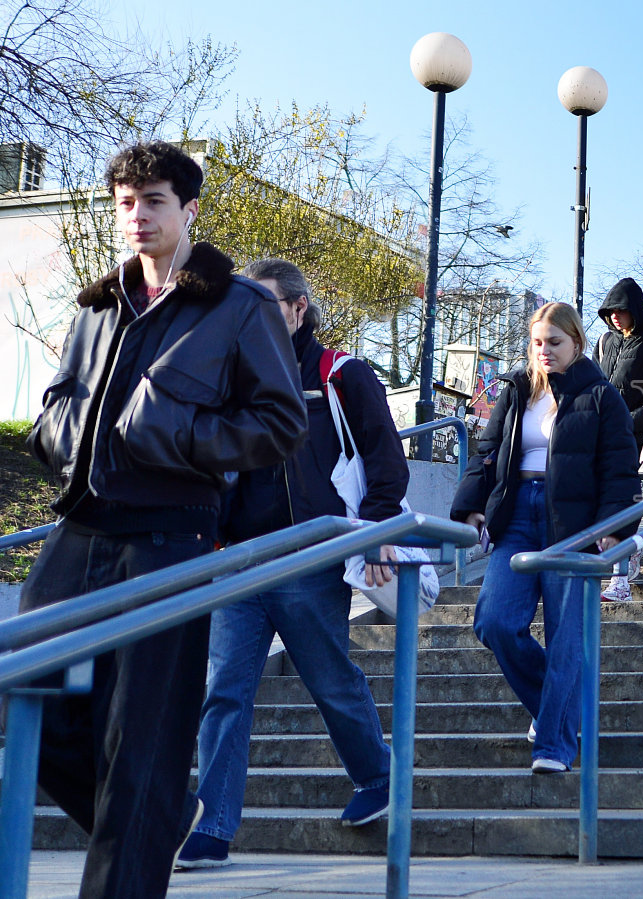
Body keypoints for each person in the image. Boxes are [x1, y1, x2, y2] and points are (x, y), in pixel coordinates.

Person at [21, 140, 306, 897]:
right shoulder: (97, 306)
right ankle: (165, 813)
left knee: (140, 738)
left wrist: (177, 435)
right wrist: (57, 434)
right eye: (126, 202)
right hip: (80, 528)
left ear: (189, 210)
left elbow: (281, 423)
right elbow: (58, 402)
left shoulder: (238, 306)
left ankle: (139, 837)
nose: (138, 216)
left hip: (169, 534)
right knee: (23, 691)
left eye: (154, 201)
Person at [179, 260, 402, 869]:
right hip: (241, 558)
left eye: (265, 305)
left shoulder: (341, 374)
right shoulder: (234, 379)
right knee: (223, 690)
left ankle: (378, 776)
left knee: (328, 678)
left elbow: (385, 456)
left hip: (313, 553)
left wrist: (377, 533)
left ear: (300, 308)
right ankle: (212, 826)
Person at [451, 301, 639, 773]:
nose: (544, 351)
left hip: (573, 525)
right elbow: (487, 452)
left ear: (576, 342)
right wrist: (471, 507)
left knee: (565, 638)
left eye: (554, 342)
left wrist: (613, 526)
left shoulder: (600, 395)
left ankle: (554, 747)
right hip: (516, 516)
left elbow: (620, 467)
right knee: (493, 621)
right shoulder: (517, 389)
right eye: (537, 342)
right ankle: (558, 711)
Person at [594, 277, 643, 600]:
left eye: (621, 310)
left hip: (637, 437)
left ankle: (620, 579)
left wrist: (629, 421)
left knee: (624, 504)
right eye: (610, 311)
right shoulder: (605, 343)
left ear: (634, 310)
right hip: (602, 437)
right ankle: (629, 553)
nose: (614, 316)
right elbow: (592, 386)